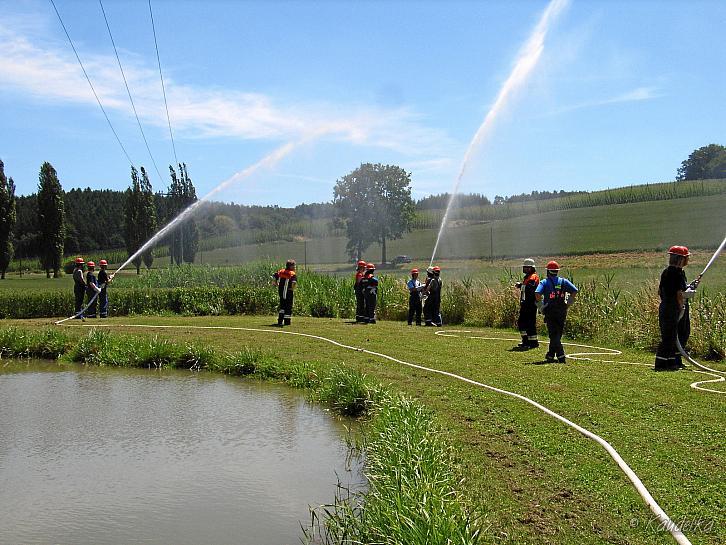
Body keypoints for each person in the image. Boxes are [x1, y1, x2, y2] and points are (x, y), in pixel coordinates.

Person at [655, 246, 695, 371]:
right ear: (681, 259)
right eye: (687, 257)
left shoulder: (673, 272)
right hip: (673, 308)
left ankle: (674, 361)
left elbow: (661, 291)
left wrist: (690, 286)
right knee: (670, 336)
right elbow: (678, 293)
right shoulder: (675, 273)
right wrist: (681, 305)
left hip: (670, 306)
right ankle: (662, 363)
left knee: (681, 333)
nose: (688, 259)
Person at [535, 261, 578, 362]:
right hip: (562, 310)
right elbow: (575, 291)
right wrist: (568, 303)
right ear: (557, 271)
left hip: (550, 311)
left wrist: (541, 307)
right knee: (557, 333)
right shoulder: (564, 282)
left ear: (548, 272)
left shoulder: (544, 282)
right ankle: (550, 355)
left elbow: (537, 293)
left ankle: (561, 355)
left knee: (553, 334)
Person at [514, 258, 540, 349]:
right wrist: (521, 285)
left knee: (529, 323)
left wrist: (520, 285)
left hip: (530, 304)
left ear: (530, 268)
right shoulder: (528, 277)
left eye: (525, 267)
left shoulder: (533, 277)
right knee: (522, 322)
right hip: (525, 304)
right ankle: (526, 341)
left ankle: (532, 343)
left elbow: (530, 289)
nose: (524, 269)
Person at [273, 259, 297, 326]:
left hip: (281, 293)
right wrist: (292, 288)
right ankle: (287, 322)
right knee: (288, 307)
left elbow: (275, 276)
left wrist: (275, 283)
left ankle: (280, 321)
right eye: (294, 266)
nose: (295, 267)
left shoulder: (281, 271)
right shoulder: (292, 273)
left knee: (282, 306)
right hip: (288, 293)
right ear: (291, 266)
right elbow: (294, 282)